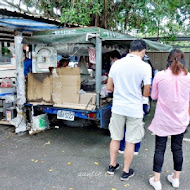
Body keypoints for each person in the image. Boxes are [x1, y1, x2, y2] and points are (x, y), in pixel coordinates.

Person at [106, 39, 152, 181]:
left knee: (115, 137)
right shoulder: (145, 67)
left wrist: (120, 92)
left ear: (130, 50)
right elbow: (146, 92)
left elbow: (109, 87)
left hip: (118, 107)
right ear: (143, 51)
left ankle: (112, 165)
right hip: (134, 109)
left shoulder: (116, 64)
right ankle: (126, 171)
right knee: (130, 141)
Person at [148, 49, 190, 190]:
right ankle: (176, 179)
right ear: (183, 60)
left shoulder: (160, 75)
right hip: (181, 120)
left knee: (160, 149)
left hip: (163, 120)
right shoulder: (189, 77)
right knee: (177, 149)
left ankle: (157, 181)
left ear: (168, 60)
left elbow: (153, 96)